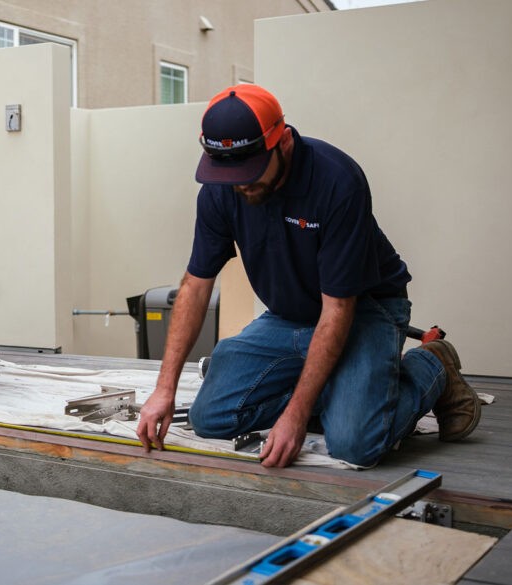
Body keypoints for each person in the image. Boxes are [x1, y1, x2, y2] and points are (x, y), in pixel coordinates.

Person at [135, 85, 480, 468]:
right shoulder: (222, 190)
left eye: (248, 170)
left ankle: (432, 367)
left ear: (282, 143)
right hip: (290, 316)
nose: (239, 184)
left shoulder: (337, 182)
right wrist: (163, 389)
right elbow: (195, 287)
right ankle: (338, 390)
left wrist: (296, 415)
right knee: (210, 418)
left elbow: (337, 310)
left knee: (354, 443)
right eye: (227, 171)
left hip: (364, 309)